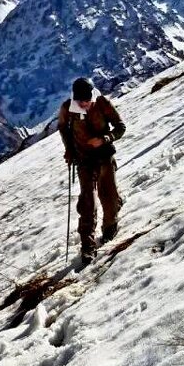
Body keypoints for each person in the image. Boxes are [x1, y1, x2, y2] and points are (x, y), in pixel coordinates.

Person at [58, 78, 126, 263]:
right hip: (84, 160)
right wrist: (69, 150)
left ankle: (110, 226)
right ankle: (87, 247)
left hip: (105, 157)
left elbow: (120, 127)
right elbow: (63, 129)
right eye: (80, 101)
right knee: (88, 203)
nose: (84, 104)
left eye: (87, 100)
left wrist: (104, 139)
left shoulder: (102, 103)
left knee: (109, 197)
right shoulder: (68, 109)